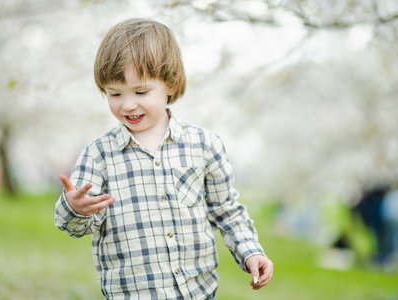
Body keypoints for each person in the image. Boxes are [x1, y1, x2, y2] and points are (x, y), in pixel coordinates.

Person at [55, 18, 273, 299]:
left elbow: (226, 211)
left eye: (141, 92)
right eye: (115, 94)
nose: (127, 104)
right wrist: (76, 209)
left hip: (198, 292)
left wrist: (250, 251)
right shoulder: (99, 155)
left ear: (169, 85)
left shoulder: (204, 145)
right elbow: (74, 226)